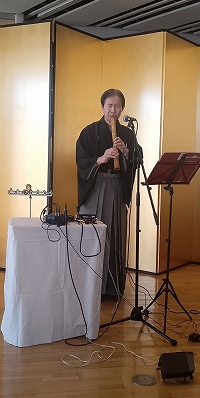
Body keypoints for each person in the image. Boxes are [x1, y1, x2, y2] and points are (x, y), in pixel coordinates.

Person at [76, 89, 137, 297]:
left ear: (122, 109)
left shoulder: (128, 134)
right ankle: (88, 289)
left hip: (116, 187)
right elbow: (81, 161)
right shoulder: (89, 132)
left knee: (114, 236)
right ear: (102, 107)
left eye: (117, 106)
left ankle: (112, 288)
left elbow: (137, 159)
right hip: (95, 187)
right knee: (92, 236)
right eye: (109, 106)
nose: (113, 110)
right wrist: (100, 159)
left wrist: (126, 152)